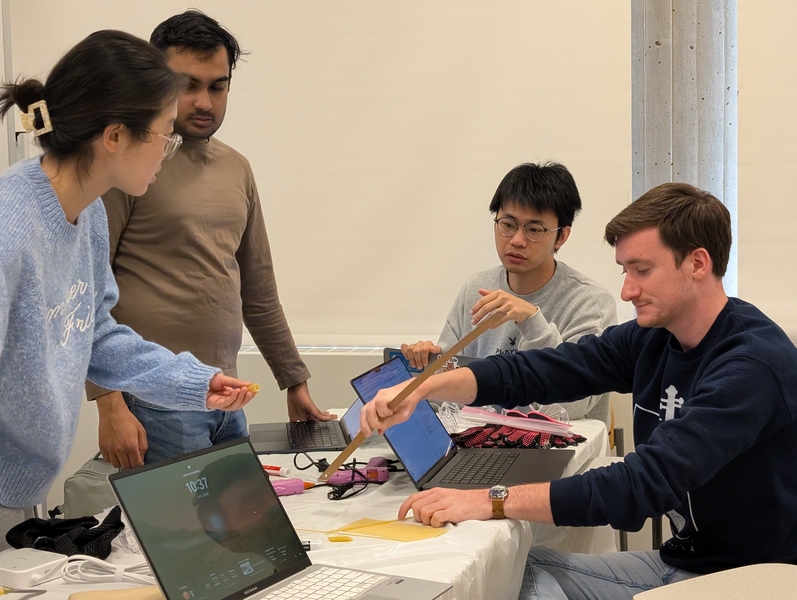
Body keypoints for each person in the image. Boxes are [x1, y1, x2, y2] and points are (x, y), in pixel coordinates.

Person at [360, 182, 797, 599]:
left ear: (698, 263)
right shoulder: (655, 337)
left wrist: (489, 500)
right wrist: (424, 387)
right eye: (625, 271)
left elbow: (638, 486)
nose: (627, 290)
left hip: (752, 579)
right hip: (691, 562)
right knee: (515, 571)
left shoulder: (751, 366)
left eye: (643, 270)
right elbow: (547, 369)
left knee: (517, 577)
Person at [0, 30, 257, 548]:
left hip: (20, 487)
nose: (169, 150)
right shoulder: (11, 228)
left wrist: (191, 381)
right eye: (165, 134)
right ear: (115, 136)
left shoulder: (88, 212)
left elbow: (96, 334)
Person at [84, 11, 333, 469]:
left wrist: (293, 382)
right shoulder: (127, 165)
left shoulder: (236, 167)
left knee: (234, 535)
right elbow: (86, 293)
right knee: (177, 540)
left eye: (217, 86)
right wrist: (109, 404)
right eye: (187, 85)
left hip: (226, 395)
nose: (204, 101)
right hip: (153, 403)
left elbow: (257, 290)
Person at [400, 162, 616, 426]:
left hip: (559, 451)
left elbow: (572, 406)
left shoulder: (589, 301)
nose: (516, 240)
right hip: (481, 442)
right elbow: (447, 396)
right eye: (508, 224)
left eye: (534, 230)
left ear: (561, 237)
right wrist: (425, 362)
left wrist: (532, 320)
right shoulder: (476, 287)